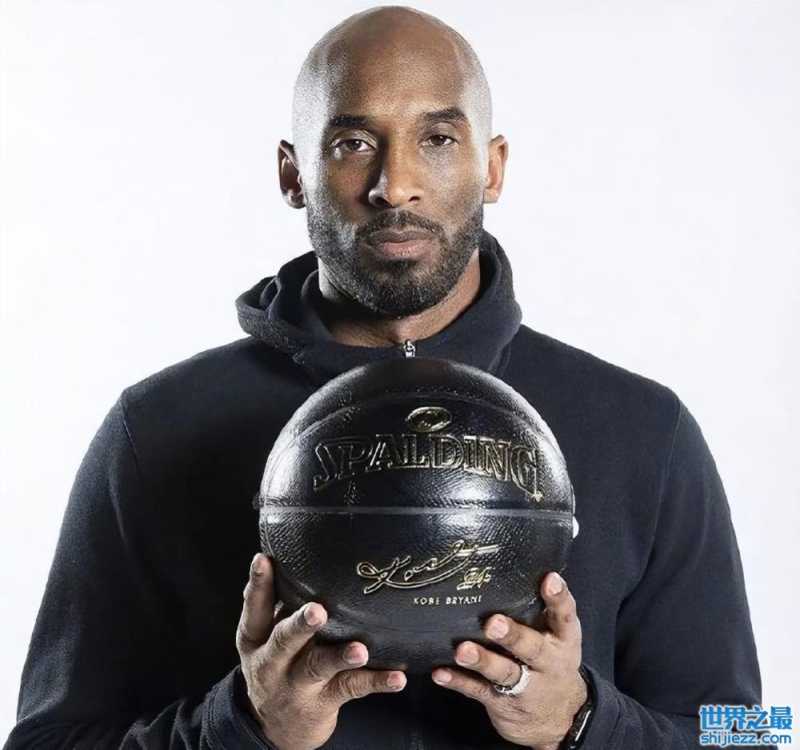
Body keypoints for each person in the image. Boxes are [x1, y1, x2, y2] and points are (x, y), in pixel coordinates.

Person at [6, 6, 764, 750]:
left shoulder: (645, 429)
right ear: (292, 172)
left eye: (437, 138)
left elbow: (753, 734)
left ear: (492, 166)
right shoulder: (158, 428)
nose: (394, 185)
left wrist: (584, 722)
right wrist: (242, 726)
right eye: (353, 142)